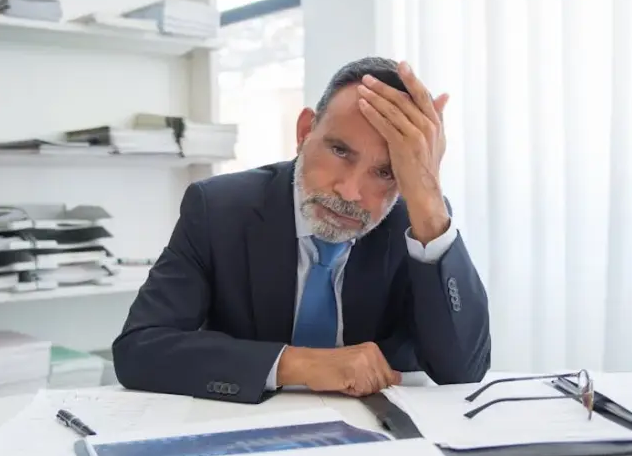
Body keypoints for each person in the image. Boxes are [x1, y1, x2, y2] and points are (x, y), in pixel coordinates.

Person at [112, 57, 491, 403]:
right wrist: (299, 364)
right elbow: (140, 348)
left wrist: (427, 200)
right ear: (305, 130)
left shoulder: (416, 221)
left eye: (385, 172)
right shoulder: (219, 210)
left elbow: (463, 371)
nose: (350, 192)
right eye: (340, 151)